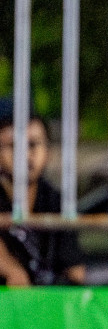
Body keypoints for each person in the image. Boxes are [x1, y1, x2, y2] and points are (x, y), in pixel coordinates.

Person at [0, 112, 85, 286]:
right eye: (13, 146)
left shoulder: (58, 202)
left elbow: (75, 271)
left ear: (48, 151)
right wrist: (9, 268)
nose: (25, 155)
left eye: (33, 144)